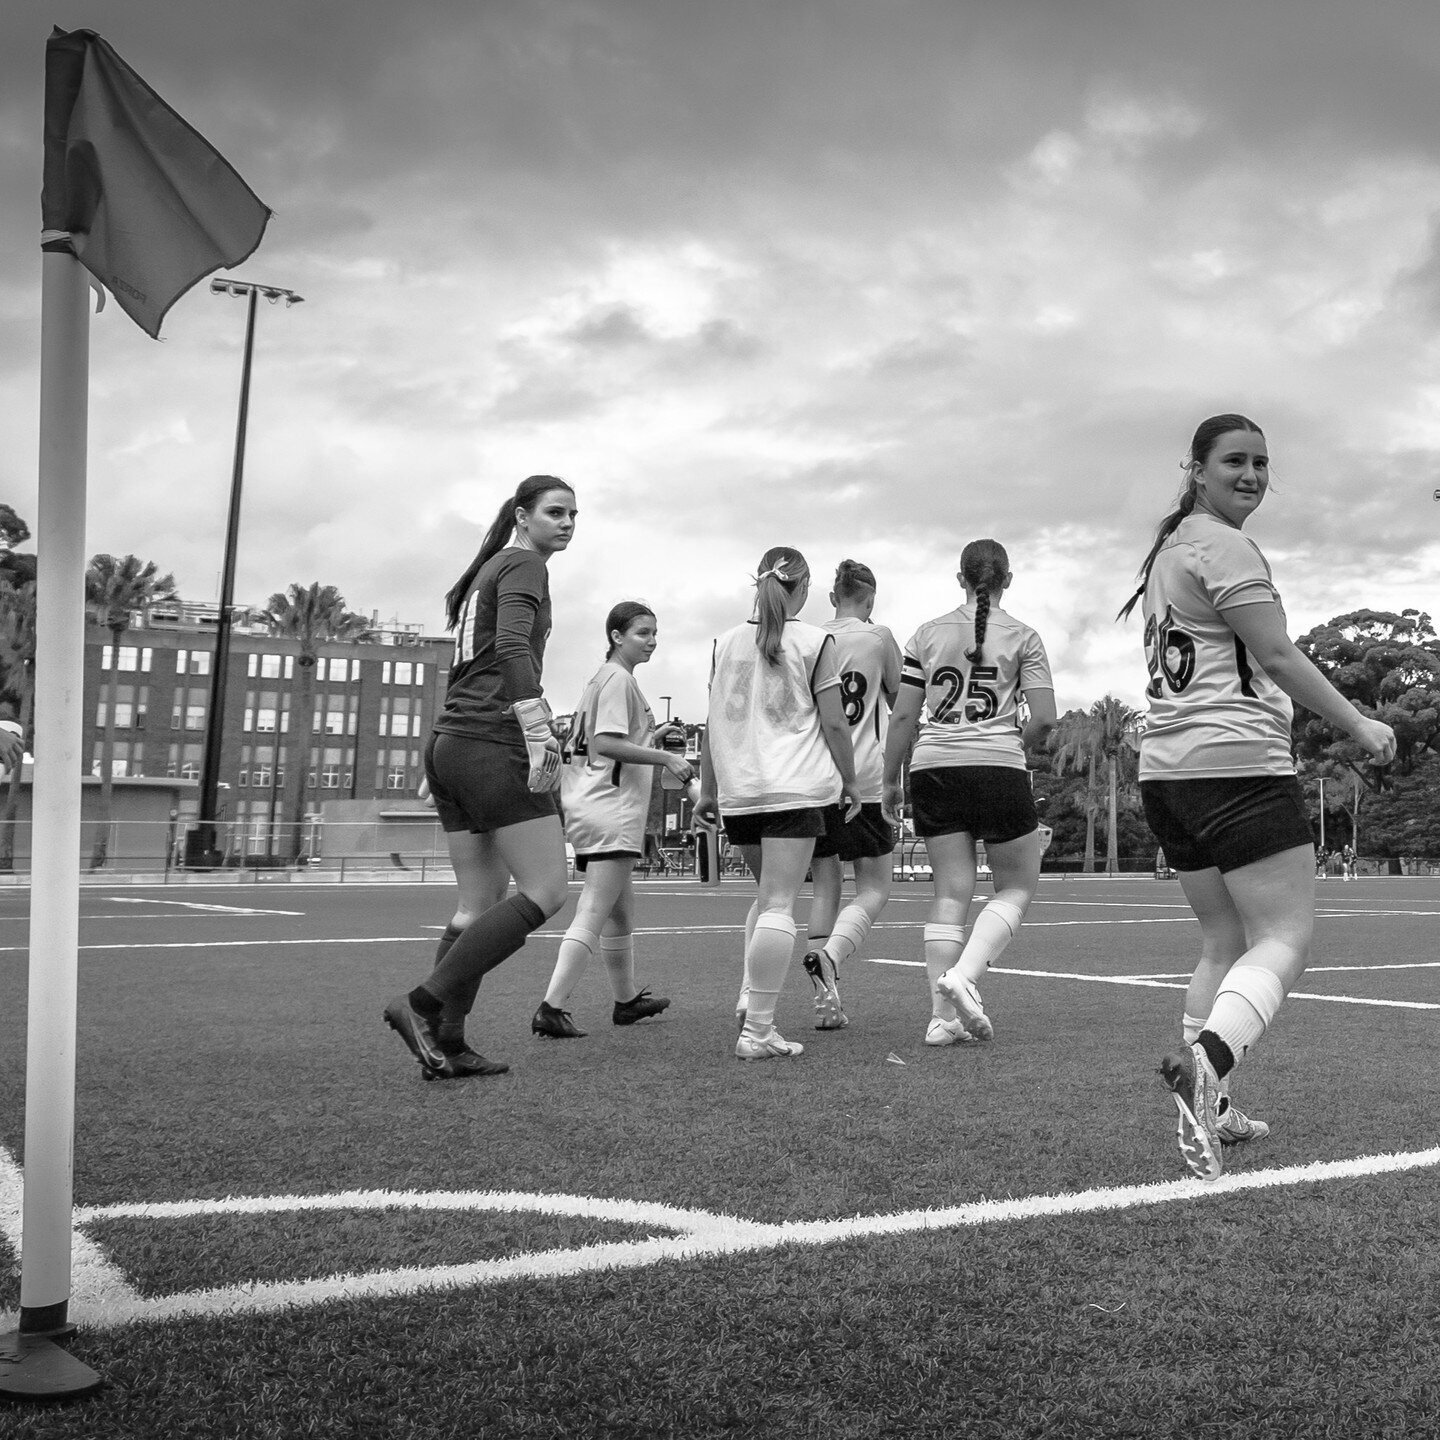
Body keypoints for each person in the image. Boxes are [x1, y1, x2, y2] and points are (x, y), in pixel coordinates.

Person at [1120, 414, 1396, 1181]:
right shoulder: (1224, 544)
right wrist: (1359, 722)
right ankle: (1208, 1067)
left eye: (1261, 464)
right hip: (1234, 764)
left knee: (1223, 943)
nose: (1251, 475)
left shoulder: (1169, 551)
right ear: (1196, 469)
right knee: (1285, 938)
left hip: (1167, 773)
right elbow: (1274, 652)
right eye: (1235, 461)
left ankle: (1210, 1105)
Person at [384, 475, 578, 1079]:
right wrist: (535, 722)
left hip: (456, 742)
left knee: (477, 902)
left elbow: (467, 663)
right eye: (555, 512)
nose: (568, 523)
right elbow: (515, 647)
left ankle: (447, 1043)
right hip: (491, 740)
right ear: (523, 516)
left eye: (574, 514)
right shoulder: (522, 566)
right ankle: (419, 1005)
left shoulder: (486, 570)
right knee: (548, 890)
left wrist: (443, 752)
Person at [882, 539, 1057, 1047]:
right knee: (1016, 889)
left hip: (933, 767)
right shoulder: (1024, 635)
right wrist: (1007, 746)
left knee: (950, 893)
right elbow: (1043, 718)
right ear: (1008, 578)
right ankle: (965, 976)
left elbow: (903, 715)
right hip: (997, 766)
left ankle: (941, 1020)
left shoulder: (926, 633)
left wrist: (890, 779)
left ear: (960, 578)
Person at [695, 546, 861, 1060]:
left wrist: (707, 789)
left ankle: (750, 995)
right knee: (781, 904)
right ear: (804, 588)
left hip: (741, 790)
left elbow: (712, 723)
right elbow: (834, 722)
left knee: (768, 898)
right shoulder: (815, 640)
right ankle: (759, 1030)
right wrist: (851, 782)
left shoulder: (726, 642)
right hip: (793, 787)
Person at [532, 601, 692, 1037]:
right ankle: (552, 1005)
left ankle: (625, 1001)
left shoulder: (601, 678)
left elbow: (605, 740)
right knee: (594, 909)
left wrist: (648, 738)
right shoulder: (619, 679)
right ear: (616, 636)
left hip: (589, 801)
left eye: (655, 633)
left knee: (620, 913)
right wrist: (663, 756)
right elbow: (605, 743)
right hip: (610, 808)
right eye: (642, 633)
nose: (652, 641)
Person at [802, 560, 903, 1030]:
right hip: (864, 775)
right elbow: (903, 706)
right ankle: (834, 958)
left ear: (831, 597)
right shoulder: (878, 637)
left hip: (817, 779)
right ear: (871, 597)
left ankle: (825, 1000)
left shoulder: (808, 637)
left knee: (825, 886)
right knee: (875, 888)